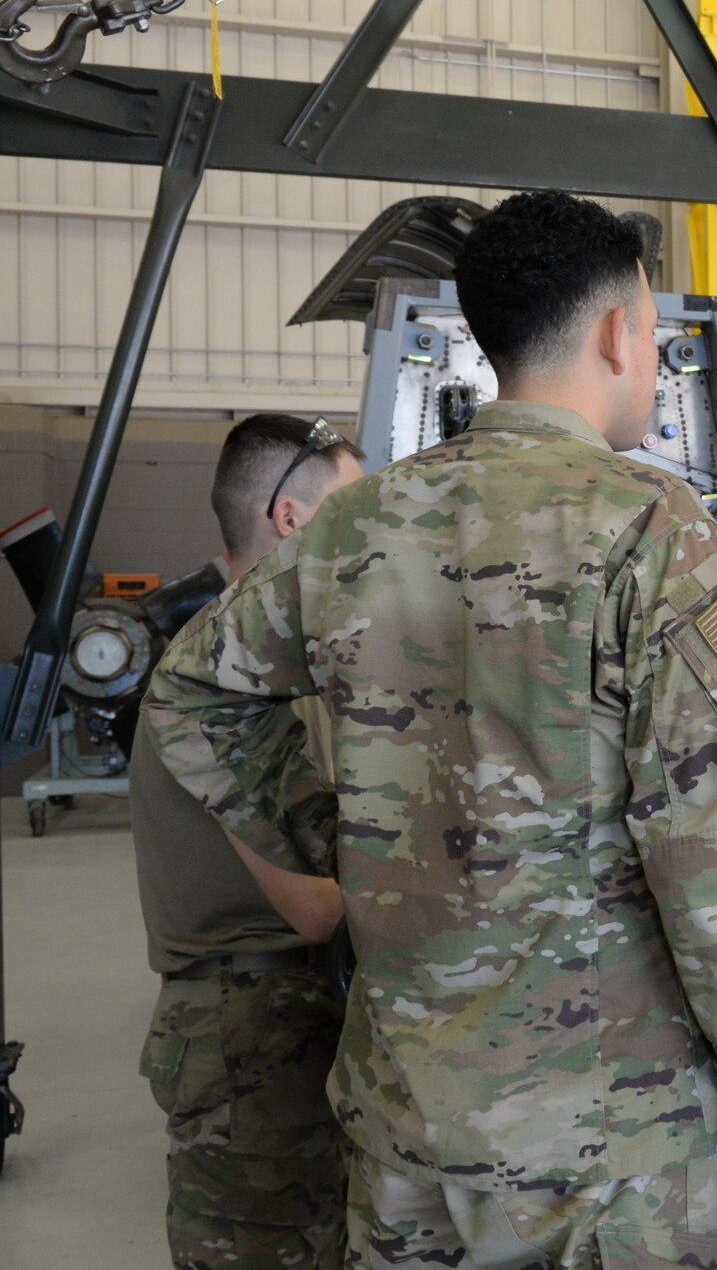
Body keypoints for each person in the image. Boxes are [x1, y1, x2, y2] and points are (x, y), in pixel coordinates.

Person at [144, 191, 717, 1269]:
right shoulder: (655, 532)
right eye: (646, 332)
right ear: (614, 334)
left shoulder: (356, 522)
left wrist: (346, 843)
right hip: (610, 1142)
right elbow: (714, 862)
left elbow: (190, 695)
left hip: (411, 1122)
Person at [132, 413, 363, 1270]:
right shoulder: (218, 677)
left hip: (289, 1019)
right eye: (354, 505)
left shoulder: (275, 659)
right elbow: (311, 905)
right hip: (248, 1033)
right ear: (291, 519)